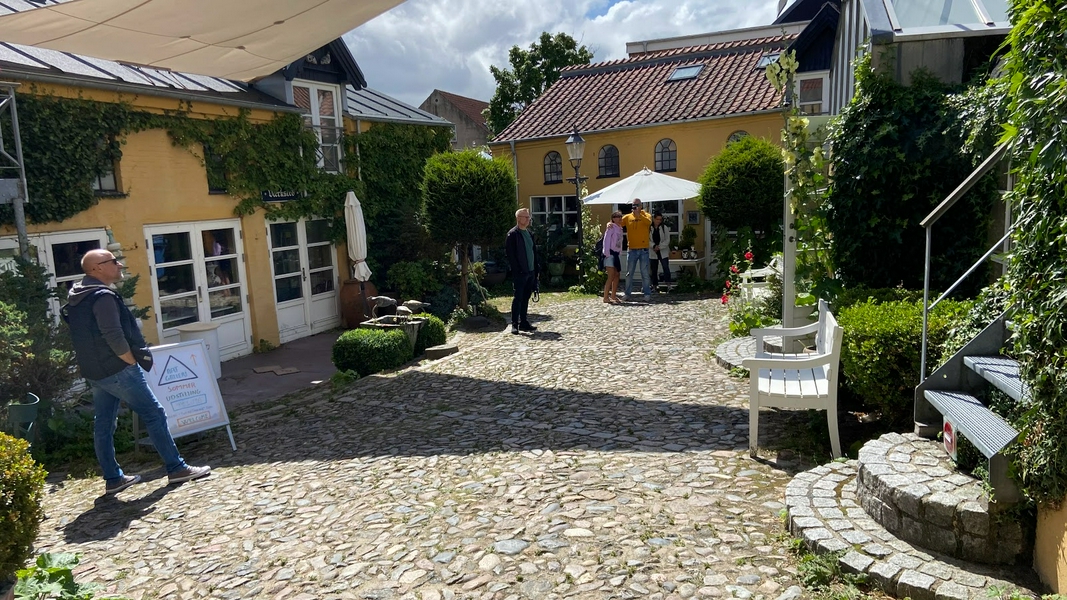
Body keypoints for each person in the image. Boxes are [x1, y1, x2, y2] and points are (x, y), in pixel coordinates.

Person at [64, 249, 211, 495]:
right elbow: (113, 334)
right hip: (117, 369)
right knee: (154, 414)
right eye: (113, 261)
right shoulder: (101, 297)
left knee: (104, 423)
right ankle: (176, 468)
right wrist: (130, 360)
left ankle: (113, 479)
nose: (119, 265)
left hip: (94, 371)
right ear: (97, 268)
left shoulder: (78, 296)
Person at [504, 208, 540, 335]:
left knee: (526, 298)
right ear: (519, 218)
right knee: (518, 298)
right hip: (520, 272)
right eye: (526, 217)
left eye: (528, 217)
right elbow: (511, 255)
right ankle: (515, 324)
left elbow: (533, 252)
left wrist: (536, 270)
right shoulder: (513, 234)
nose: (528, 219)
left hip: (530, 271)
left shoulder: (529, 234)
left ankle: (524, 322)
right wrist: (517, 270)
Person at [620, 198, 653, 302]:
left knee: (644, 273)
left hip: (644, 249)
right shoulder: (628, 217)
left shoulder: (646, 215)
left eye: (637, 205)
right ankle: (627, 293)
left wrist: (639, 214)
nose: (635, 206)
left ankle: (647, 294)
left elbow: (648, 223)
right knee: (629, 273)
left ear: (641, 205)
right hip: (632, 249)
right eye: (634, 205)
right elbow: (618, 223)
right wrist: (610, 224)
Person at [602, 211, 623, 303]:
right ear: (613, 218)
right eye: (617, 217)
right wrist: (606, 253)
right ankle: (605, 297)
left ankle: (613, 295)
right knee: (610, 276)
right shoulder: (610, 228)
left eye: (620, 217)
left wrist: (620, 252)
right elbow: (606, 241)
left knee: (617, 275)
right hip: (610, 254)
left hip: (616, 254)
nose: (619, 218)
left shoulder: (620, 228)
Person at [649, 211, 673, 292]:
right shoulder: (649, 228)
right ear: (653, 219)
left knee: (666, 268)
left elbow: (667, 240)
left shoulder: (664, 227)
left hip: (662, 251)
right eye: (657, 219)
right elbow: (647, 240)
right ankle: (654, 285)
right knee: (653, 269)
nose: (659, 221)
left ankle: (669, 285)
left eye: (660, 219)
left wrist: (660, 247)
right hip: (653, 251)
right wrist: (653, 246)